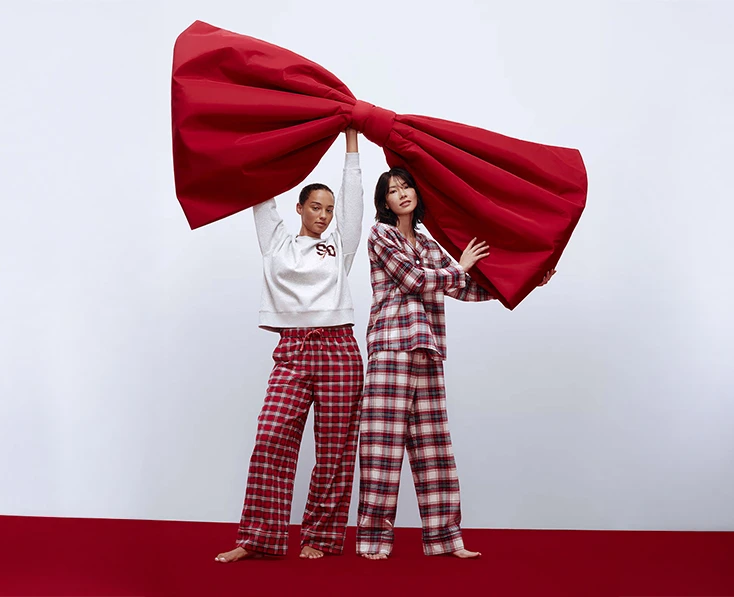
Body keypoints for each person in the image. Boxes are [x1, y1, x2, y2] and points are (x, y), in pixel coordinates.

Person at [355, 167, 555, 560]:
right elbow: (414, 279)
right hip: (390, 349)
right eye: (392, 191)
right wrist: (458, 267)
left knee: (435, 450)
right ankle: (373, 542)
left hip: (428, 351)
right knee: (382, 450)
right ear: (384, 203)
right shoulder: (381, 235)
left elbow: (464, 287)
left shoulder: (430, 245)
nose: (402, 194)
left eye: (405, 186)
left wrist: (527, 280)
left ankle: (445, 540)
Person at [216, 128, 365, 562]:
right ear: (299, 208)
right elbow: (261, 195)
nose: (323, 215)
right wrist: (268, 137)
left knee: (334, 450)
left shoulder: (341, 244)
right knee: (271, 437)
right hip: (293, 351)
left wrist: (351, 140)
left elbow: (352, 197)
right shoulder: (276, 243)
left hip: (339, 349)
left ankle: (319, 538)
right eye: (315, 207)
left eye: (328, 210)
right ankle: (258, 537)